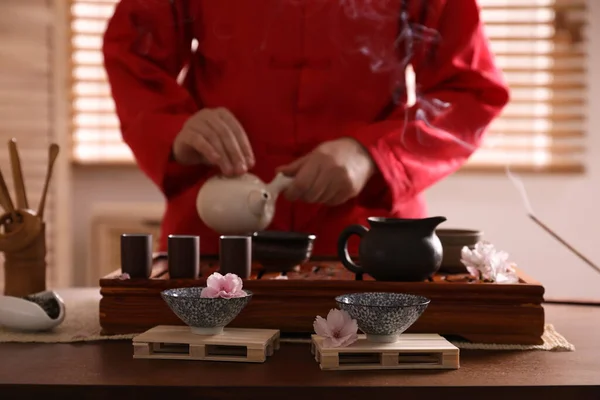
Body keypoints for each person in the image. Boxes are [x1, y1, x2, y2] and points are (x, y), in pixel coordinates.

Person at [103, 0, 509, 257]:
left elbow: (468, 91)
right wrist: (175, 128)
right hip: (216, 232)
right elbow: (133, 55)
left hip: (369, 237)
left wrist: (373, 153)